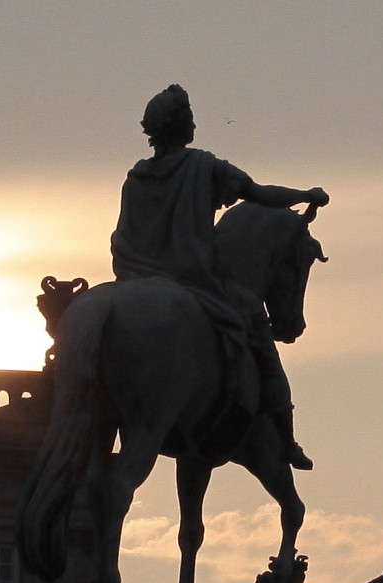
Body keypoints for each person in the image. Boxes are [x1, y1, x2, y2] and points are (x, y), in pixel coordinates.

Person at [110, 84, 328, 470]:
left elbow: (124, 234)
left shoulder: (136, 177)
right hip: (194, 279)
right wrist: (306, 192)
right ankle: (285, 436)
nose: (195, 122)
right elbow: (259, 193)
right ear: (183, 127)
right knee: (261, 341)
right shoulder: (203, 166)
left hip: (133, 278)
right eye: (191, 117)